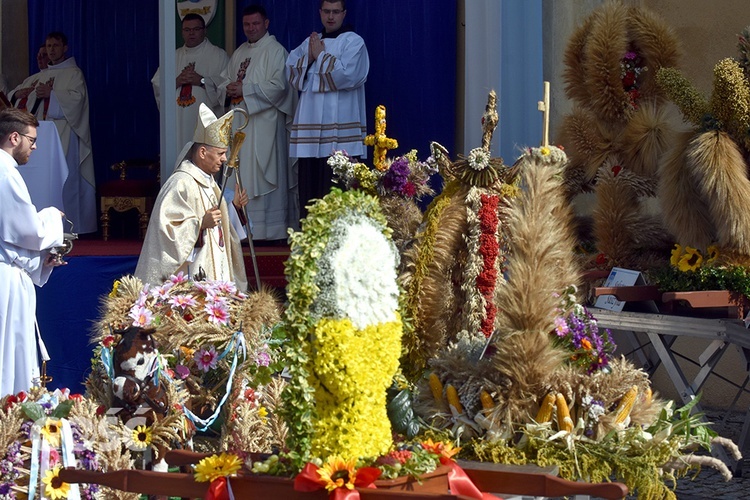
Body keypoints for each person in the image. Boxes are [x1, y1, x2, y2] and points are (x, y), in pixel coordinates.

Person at [135, 103, 248, 291]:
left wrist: (233, 210)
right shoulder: (181, 183)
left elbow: (219, 229)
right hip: (192, 275)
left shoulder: (211, 183)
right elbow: (166, 232)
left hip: (215, 270)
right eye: (220, 153)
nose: (224, 159)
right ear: (203, 152)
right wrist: (199, 224)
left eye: (225, 153)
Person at [0, 108, 65, 396]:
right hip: (6, 282)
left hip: (8, 270)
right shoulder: (5, 173)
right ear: (14, 137)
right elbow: (31, 232)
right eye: (31, 139)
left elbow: (10, 237)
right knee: (10, 354)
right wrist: (52, 217)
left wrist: (41, 259)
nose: (35, 146)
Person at [219, 5, 298, 241]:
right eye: (246, 25)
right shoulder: (239, 52)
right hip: (240, 124)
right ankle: (239, 228)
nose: (250, 28)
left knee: (263, 174)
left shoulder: (276, 51)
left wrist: (245, 89)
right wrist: (229, 88)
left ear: (266, 24)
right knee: (239, 173)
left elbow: (280, 87)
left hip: (265, 126)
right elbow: (224, 81)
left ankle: (268, 231)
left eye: (255, 24)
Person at [286, 0, 369, 218]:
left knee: (337, 192)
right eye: (326, 12)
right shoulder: (311, 42)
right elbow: (290, 71)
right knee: (310, 193)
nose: (330, 17)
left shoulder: (354, 42)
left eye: (335, 12)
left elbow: (348, 75)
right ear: (320, 13)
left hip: (340, 134)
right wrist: (311, 56)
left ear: (344, 14)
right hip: (310, 135)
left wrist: (320, 56)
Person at [17, 32, 96, 234]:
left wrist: (51, 95)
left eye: (55, 45)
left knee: (64, 179)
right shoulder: (39, 76)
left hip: (64, 134)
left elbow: (77, 102)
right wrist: (19, 94)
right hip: (38, 136)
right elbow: (16, 99)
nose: (51, 50)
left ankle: (69, 227)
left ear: (65, 48)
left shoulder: (73, 73)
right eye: (49, 46)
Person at [151, 13, 229, 150]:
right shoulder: (173, 56)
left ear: (205, 31)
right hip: (177, 121)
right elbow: (157, 84)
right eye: (187, 30)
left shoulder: (218, 55)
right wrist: (177, 81)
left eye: (196, 29)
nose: (191, 33)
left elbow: (225, 88)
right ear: (182, 32)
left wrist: (202, 81)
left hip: (205, 120)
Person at [7, 45, 50, 112]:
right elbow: (9, 96)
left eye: (43, 55)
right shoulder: (30, 79)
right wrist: (17, 94)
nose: (39, 58)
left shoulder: (52, 78)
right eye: (38, 55)